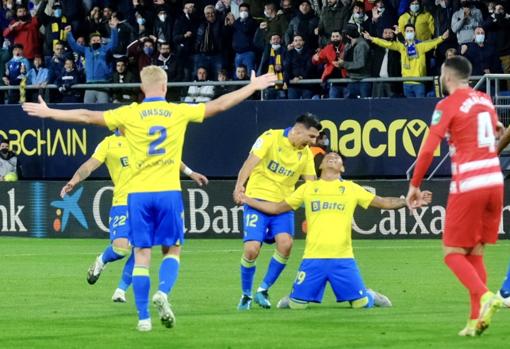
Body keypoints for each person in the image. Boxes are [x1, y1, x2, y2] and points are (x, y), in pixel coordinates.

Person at [22, 65, 277, 332]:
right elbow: (220, 105)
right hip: (168, 192)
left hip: (137, 195)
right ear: (165, 87)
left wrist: (50, 112)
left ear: (142, 89)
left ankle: (143, 318)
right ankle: (163, 293)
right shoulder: (177, 111)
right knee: (172, 250)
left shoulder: (129, 114)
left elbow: (87, 116)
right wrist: (251, 87)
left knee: (141, 254)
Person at [240, 152, 429, 309]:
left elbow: (383, 202)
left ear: (342, 168)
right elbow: (275, 209)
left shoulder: (350, 188)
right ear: (320, 165)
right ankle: (296, 296)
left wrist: (407, 201)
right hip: (312, 258)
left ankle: (369, 294)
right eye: (328, 156)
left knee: (361, 305)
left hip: (343, 258)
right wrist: (248, 199)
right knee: (297, 306)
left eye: (337, 158)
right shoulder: (308, 189)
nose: (332, 157)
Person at [406, 56, 504, 337]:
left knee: (451, 253)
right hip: (495, 180)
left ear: (447, 77)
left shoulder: (447, 104)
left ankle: (486, 296)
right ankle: (475, 321)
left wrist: (414, 184)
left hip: (469, 181)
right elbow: (496, 130)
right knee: (475, 252)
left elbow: (427, 149)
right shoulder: (485, 99)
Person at [62, 131, 208, 303]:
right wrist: (74, 180)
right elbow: (89, 166)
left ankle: (121, 290)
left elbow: (168, 156)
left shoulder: (142, 137)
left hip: (145, 201)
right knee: (121, 248)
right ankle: (101, 260)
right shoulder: (108, 143)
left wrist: (190, 173)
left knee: (141, 247)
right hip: (122, 202)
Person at [232, 113, 321, 310]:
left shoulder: (305, 153)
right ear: (298, 131)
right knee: (251, 249)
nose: (314, 141)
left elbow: (311, 184)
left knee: (286, 244)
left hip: (282, 206)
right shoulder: (270, 138)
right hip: (257, 200)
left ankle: (262, 290)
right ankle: (246, 294)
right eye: (311, 137)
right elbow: (250, 163)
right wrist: (239, 186)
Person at [363, 24, 448, 98]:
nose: (409, 32)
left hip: (419, 82)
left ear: (414, 33)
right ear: (404, 33)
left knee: (421, 107)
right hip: (406, 82)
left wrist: (442, 38)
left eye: (411, 31)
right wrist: (371, 38)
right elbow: (386, 43)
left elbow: (432, 42)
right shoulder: (401, 46)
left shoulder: (421, 46)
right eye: (407, 31)